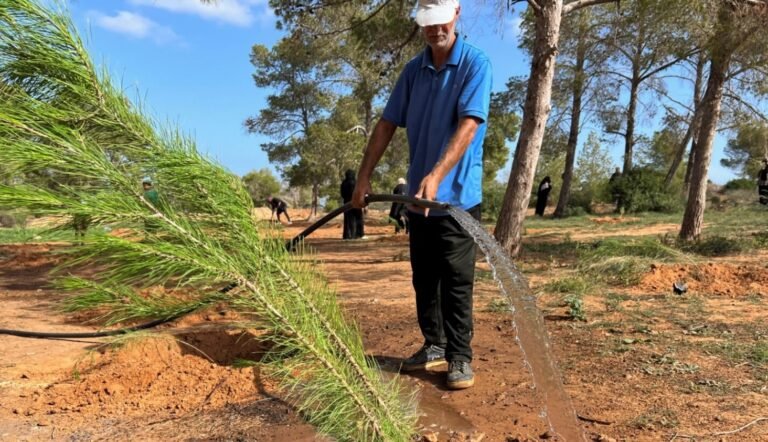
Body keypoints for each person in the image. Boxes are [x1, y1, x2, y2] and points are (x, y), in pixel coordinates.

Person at [350, 0, 492, 390]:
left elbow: (470, 125)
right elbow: (386, 124)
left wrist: (436, 174)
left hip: (456, 200)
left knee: (457, 281)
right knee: (424, 280)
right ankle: (434, 345)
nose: (434, 30)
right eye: (427, 23)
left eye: (440, 21)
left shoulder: (475, 65)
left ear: (457, 13)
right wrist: (363, 177)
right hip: (417, 201)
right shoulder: (413, 71)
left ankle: (459, 356)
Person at [340, 169, 364, 239]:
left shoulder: (343, 183)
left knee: (348, 220)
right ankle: (358, 234)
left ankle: (347, 235)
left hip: (346, 203)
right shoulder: (355, 182)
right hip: (356, 202)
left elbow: (342, 194)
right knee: (357, 218)